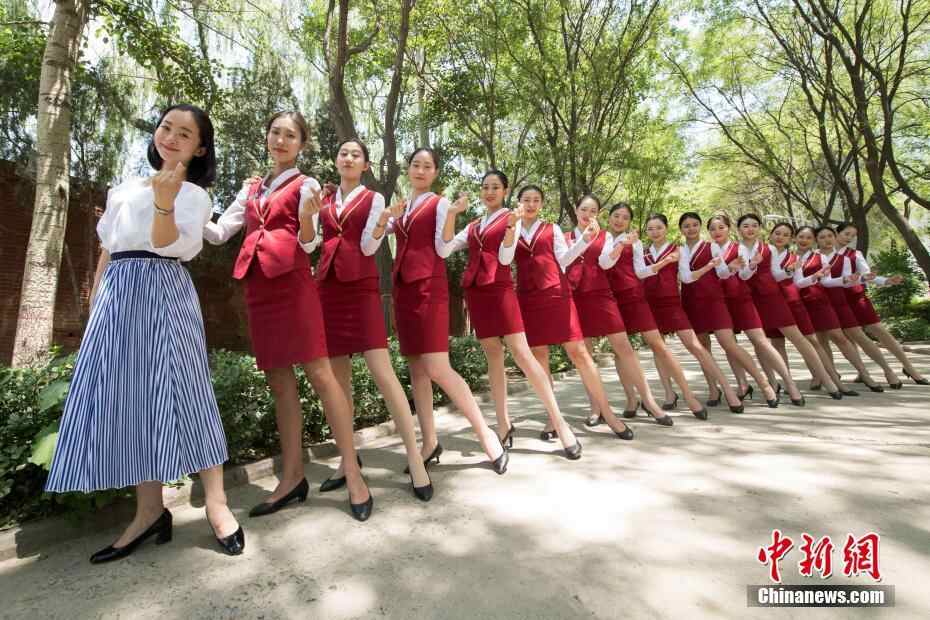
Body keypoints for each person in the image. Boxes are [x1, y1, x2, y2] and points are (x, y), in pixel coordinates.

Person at [46, 104, 244, 563]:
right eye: (166, 127)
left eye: (185, 134)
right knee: (131, 399)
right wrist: (95, 304)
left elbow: (165, 243)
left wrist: (164, 201)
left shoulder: (194, 196)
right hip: (118, 292)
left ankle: (216, 503)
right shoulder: (123, 188)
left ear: (200, 149)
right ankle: (150, 512)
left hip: (164, 287)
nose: (171, 137)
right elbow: (108, 247)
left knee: (188, 392)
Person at [204, 111, 372, 521]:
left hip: (294, 287)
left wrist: (308, 218)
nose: (281, 140)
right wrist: (180, 204)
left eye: (290, 135)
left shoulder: (307, 185)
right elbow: (219, 233)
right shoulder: (251, 188)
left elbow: (310, 245)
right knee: (280, 383)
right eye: (275, 133)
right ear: (267, 137)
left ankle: (353, 472)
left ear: (302, 143)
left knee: (320, 375)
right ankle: (293, 477)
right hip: (258, 289)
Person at [370, 148, 509, 473]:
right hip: (404, 291)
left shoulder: (439, 204)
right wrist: (385, 217)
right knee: (417, 369)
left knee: (437, 367)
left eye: (427, 166)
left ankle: (486, 435)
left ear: (435, 172)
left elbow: (444, 249)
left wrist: (451, 215)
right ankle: (429, 442)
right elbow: (374, 237)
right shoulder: (402, 207)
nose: (420, 170)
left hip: (430, 290)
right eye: (415, 165)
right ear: (408, 170)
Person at [314, 138, 432, 500]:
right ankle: (347, 460)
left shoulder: (374, 198)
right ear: (336, 160)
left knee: (383, 373)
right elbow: (315, 241)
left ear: (365, 165)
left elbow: (368, 246)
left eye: (356, 155)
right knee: (338, 383)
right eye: (343, 153)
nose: (349, 158)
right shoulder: (324, 199)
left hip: (361, 290)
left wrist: (381, 222)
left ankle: (415, 458)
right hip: (328, 290)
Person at [443, 172, 586, 459]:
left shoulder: (514, 218)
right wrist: (451, 214)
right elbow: (445, 248)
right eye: (485, 187)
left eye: (495, 187)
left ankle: (560, 424)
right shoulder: (473, 225)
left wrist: (510, 227)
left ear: (505, 191)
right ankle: (503, 424)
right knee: (493, 356)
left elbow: (506, 258)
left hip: (501, 290)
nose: (489, 192)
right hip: (476, 293)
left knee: (522, 354)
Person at [512, 185, 637, 443]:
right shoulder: (510, 229)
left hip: (557, 294)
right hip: (527, 297)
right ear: (518, 203)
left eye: (536, 200)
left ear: (542, 204)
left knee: (580, 353)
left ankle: (608, 414)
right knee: (540, 358)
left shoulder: (552, 229)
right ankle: (553, 418)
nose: (531, 204)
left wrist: (585, 240)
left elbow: (565, 259)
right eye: (526, 200)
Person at [678, 212, 777, 408]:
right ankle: (713, 389)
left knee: (729, 343)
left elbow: (722, 273)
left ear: (700, 227)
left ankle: (764, 383)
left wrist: (731, 267)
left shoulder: (711, 246)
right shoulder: (679, 250)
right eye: (686, 226)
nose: (691, 229)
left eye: (695, 224)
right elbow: (685, 277)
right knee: (703, 347)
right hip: (691, 301)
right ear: (681, 229)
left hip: (714, 300)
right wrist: (710, 267)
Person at [835, 223, 928, 385]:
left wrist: (887, 280)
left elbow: (868, 275)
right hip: (837, 301)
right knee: (852, 337)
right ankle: (862, 372)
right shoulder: (822, 255)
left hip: (857, 298)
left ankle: (909, 367)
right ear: (836, 233)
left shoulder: (855, 255)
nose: (849, 238)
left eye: (852, 236)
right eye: (846, 234)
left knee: (880, 331)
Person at [813, 226, 904, 389]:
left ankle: (888, 371)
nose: (827, 240)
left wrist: (882, 280)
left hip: (840, 301)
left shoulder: (846, 258)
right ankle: (829, 375)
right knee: (823, 340)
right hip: (819, 303)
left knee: (859, 336)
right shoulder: (812, 257)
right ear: (816, 239)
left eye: (829, 236)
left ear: (834, 236)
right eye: (822, 237)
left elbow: (854, 280)